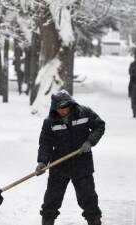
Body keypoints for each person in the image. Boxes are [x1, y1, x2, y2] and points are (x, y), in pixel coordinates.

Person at [35, 90, 106, 225]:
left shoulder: (84, 113)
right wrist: (42, 162)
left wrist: (90, 141)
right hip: (59, 165)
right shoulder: (49, 122)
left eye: (66, 106)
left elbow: (99, 126)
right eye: (60, 108)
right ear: (54, 108)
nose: (63, 110)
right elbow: (45, 143)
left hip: (82, 164)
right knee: (51, 200)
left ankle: (94, 222)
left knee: (88, 198)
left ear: (71, 104)